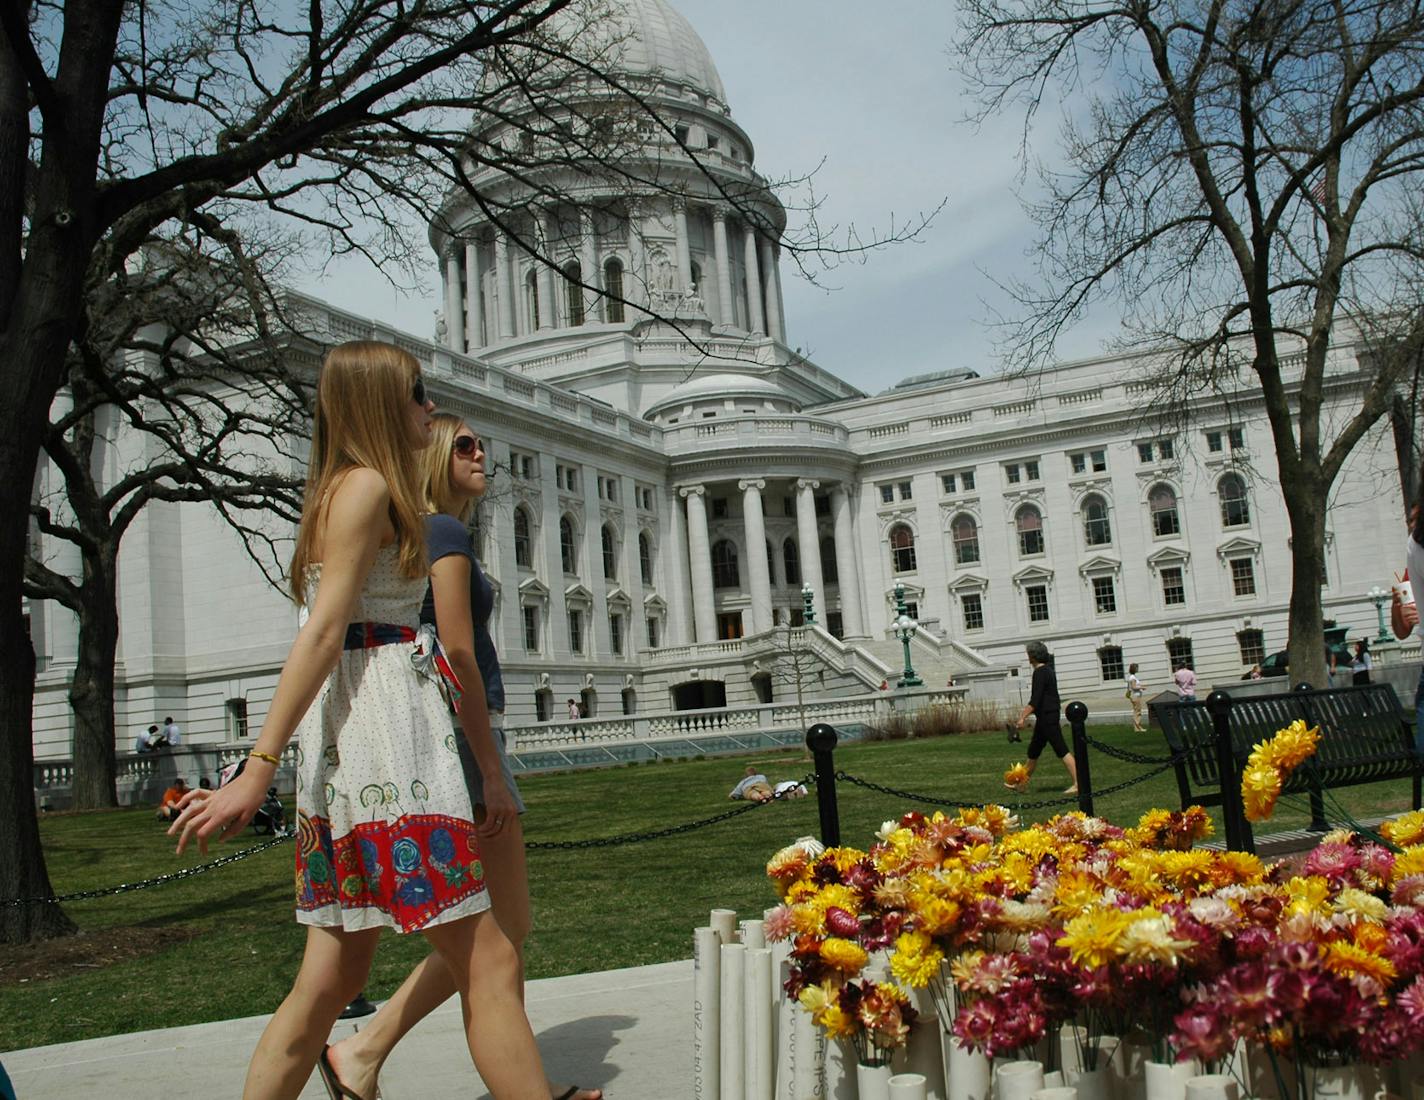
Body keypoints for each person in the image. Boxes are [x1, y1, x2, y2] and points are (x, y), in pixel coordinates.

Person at [167, 341, 550, 1100]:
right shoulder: (368, 485)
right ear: (379, 402)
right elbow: (323, 630)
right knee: (491, 959)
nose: (430, 408)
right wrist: (257, 767)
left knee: (332, 977)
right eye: (416, 394)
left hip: (357, 742)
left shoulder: (347, 488)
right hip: (385, 744)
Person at [324, 414, 601, 1100]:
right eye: (466, 446)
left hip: (440, 734)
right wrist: (492, 766)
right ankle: (366, 1049)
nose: (484, 456)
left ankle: (378, 1054)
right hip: (459, 735)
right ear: (435, 458)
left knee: (493, 935)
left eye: (484, 445)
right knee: (499, 934)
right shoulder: (440, 531)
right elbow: (456, 654)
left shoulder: (423, 531)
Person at [1010, 642, 1079, 794]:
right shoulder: (1048, 670)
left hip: (1047, 717)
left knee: (1061, 749)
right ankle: (1020, 784)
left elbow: (1036, 700)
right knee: (1033, 751)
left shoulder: (1040, 673)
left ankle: (1078, 783)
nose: (1027, 656)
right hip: (1045, 716)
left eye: (1028, 654)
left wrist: (1022, 718)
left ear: (1033, 656)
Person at [1393, 486, 1424, 754]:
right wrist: (1398, 610)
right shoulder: (1413, 557)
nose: (1412, 526)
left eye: (1416, 519)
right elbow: (1402, 632)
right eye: (1409, 521)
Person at [1126, 663, 1146, 732]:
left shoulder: (1132, 677)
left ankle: (1137, 727)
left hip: (1135, 695)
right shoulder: (1132, 678)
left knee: (1136, 711)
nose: (1138, 669)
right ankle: (1138, 727)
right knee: (1138, 711)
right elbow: (1134, 687)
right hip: (1135, 696)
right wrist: (1142, 687)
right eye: (1137, 668)